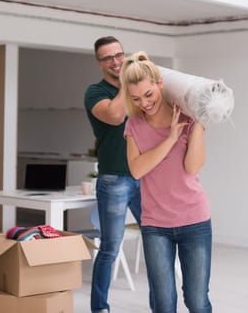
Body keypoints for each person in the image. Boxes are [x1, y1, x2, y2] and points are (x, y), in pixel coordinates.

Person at [121, 51, 213, 313]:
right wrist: (170, 139)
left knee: (197, 301)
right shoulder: (134, 125)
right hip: (155, 226)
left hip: (194, 221)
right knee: (163, 304)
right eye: (136, 98)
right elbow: (137, 170)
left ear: (160, 83)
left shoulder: (189, 117)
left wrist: (197, 124)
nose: (145, 103)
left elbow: (192, 166)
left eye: (149, 94)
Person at [84, 36, 142, 313]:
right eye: (108, 58)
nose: (116, 61)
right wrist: (127, 84)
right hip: (114, 178)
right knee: (110, 248)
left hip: (145, 175)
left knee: (159, 241)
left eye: (119, 55)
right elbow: (117, 116)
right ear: (99, 63)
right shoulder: (95, 92)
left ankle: (162, 305)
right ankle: (100, 308)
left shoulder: (139, 88)